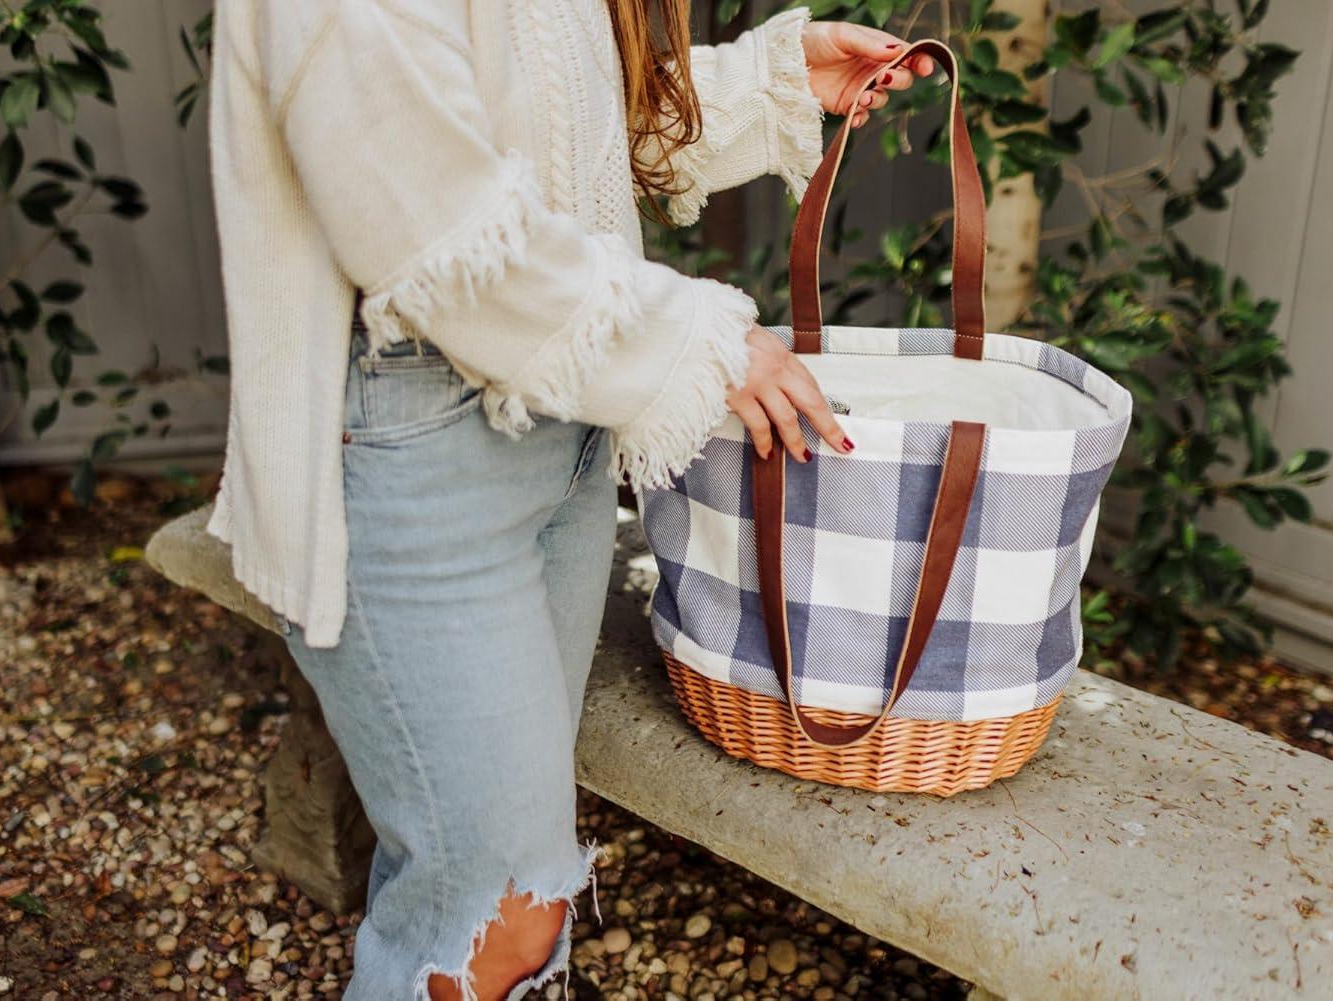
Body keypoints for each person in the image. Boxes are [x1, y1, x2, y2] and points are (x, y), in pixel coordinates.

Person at [206, 2, 932, 998]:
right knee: (501, 911)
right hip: (412, 455)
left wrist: (771, 81)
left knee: (472, 869)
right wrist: (698, 342)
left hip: (565, 425)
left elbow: (562, 122)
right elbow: (434, 232)